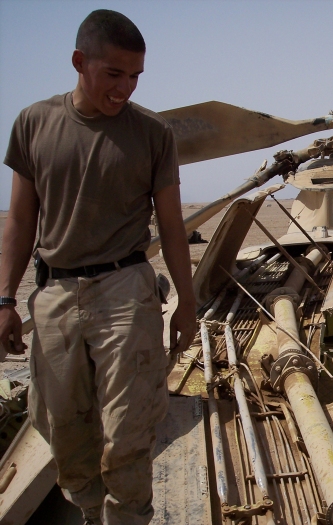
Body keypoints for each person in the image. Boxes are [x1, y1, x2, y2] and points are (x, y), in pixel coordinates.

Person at [0, 10, 197, 525]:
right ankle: (91, 513)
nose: (125, 88)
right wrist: (3, 301)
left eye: (135, 77)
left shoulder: (153, 134)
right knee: (62, 426)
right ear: (79, 61)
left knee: (129, 429)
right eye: (114, 74)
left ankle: (128, 517)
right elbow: (20, 221)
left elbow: (173, 228)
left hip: (125, 288)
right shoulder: (34, 123)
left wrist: (186, 305)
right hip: (55, 295)